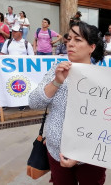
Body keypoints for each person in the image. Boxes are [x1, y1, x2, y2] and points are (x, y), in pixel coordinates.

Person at [29, 21, 106, 184]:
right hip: (56, 152)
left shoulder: (103, 80)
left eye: (77, 40)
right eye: (69, 39)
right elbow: (34, 103)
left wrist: (80, 155)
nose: (70, 43)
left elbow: (106, 124)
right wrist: (56, 82)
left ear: (92, 47)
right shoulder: (56, 70)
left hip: (91, 157)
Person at [0, 24, 34, 112]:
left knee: (22, 87)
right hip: (9, 70)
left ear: (21, 33)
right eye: (13, 31)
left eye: (15, 32)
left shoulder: (27, 44)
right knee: (6, 85)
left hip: (22, 71)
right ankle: (3, 104)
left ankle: (22, 103)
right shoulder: (8, 42)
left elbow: (32, 58)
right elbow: (2, 56)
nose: (13, 33)